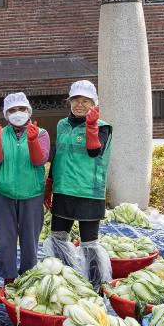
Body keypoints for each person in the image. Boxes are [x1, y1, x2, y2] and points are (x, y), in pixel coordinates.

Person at [43, 80, 113, 288]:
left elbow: (94, 151)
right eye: (75, 100)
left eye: (85, 101)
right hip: (63, 190)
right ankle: (65, 280)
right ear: (69, 101)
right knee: (58, 238)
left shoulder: (103, 127)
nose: (80, 105)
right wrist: (49, 183)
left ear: (94, 103)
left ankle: (96, 286)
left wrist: (91, 126)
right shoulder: (62, 124)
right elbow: (58, 155)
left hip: (88, 193)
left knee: (89, 244)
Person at [0, 92, 50, 284]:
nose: (18, 113)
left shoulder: (41, 134)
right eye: (12, 110)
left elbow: (40, 160)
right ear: (6, 114)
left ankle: (27, 278)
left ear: (29, 111)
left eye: (22, 109)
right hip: (3, 194)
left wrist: (32, 141)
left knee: (29, 240)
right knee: (5, 240)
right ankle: (8, 278)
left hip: (31, 193)